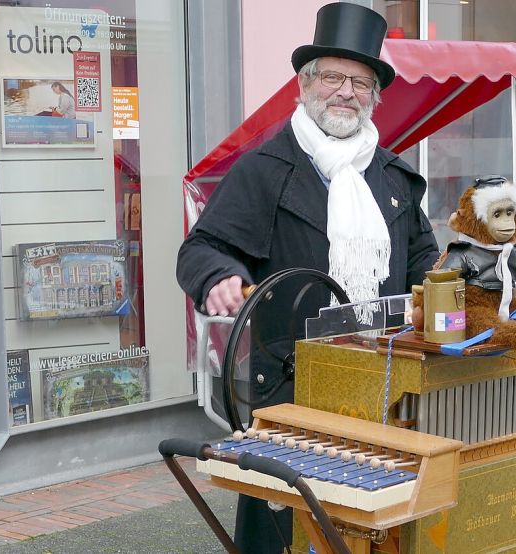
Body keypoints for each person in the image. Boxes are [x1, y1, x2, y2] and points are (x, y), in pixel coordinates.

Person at [175, 3, 439, 552]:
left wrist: (443, 285)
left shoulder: (395, 176)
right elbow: (201, 248)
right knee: (286, 527)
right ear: (305, 83)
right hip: (293, 385)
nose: (346, 91)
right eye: (334, 77)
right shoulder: (264, 169)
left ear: (375, 96)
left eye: (361, 82)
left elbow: (422, 261)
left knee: (375, 522)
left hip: (385, 380)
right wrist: (220, 276)